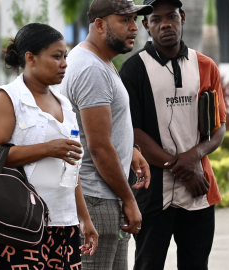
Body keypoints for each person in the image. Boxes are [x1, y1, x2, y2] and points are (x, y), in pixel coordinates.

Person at [0, 23, 98, 270]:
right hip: (19, 224)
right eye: (56, 56)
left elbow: (71, 167)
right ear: (30, 58)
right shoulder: (7, 98)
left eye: (65, 56)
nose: (64, 63)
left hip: (63, 225)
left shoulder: (64, 104)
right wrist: (48, 148)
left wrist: (84, 219)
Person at [119, 0, 227, 269]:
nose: (165, 24)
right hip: (153, 193)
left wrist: (194, 158)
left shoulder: (205, 65)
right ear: (146, 25)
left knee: (196, 264)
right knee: (148, 264)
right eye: (156, 19)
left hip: (199, 192)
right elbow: (132, 131)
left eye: (172, 16)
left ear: (183, 18)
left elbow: (219, 126)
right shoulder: (133, 69)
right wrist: (184, 170)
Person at [59, 0, 153, 269]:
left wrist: (131, 150)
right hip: (97, 200)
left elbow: (100, 133)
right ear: (99, 25)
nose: (134, 28)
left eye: (134, 20)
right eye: (124, 21)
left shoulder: (98, 61)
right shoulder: (91, 70)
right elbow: (99, 147)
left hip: (101, 197)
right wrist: (128, 199)